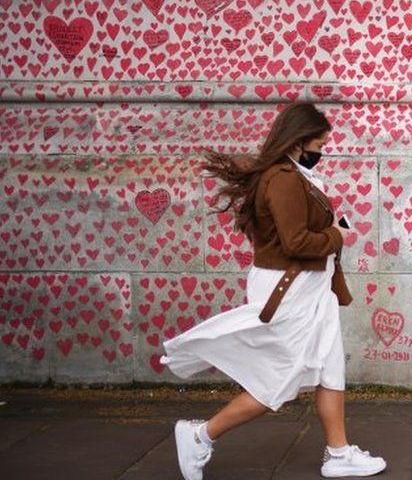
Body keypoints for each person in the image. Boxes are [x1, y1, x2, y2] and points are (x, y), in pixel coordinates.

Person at [160, 102, 386, 479]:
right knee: (277, 379)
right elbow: (295, 242)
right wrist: (336, 234)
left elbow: (297, 230)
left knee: (330, 368)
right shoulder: (282, 179)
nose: (322, 150)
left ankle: (339, 453)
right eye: (319, 142)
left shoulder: (294, 176)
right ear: (299, 142)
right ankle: (200, 435)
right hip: (291, 290)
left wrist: (329, 227)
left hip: (312, 289)